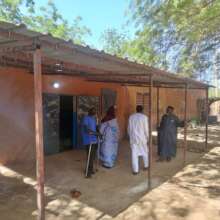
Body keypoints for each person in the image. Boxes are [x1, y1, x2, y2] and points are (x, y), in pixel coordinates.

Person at [128, 105, 149, 175]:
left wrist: (130, 136)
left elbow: (129, 128)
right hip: (142, 139)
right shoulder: (144, 117)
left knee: (134, 154)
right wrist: (147, 137)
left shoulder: (131, 117)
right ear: (142, 110)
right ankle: (146, 166)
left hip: (134, 139)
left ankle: (135, 170)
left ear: (136, 109)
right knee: (145, 152)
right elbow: (146, 129)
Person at [81, 107, 98, 178]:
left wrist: (98, 132)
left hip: (94, 140)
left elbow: (95, 127)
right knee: (90, 156)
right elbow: (86, 129)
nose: (95, 113)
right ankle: (88, 173)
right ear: (90, 112)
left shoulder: (93, 119)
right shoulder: (86, 118)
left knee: (93, 156)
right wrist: (95, 133)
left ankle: (90, 169)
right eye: (94, 111)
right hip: (89, 140)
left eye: (95, 111)